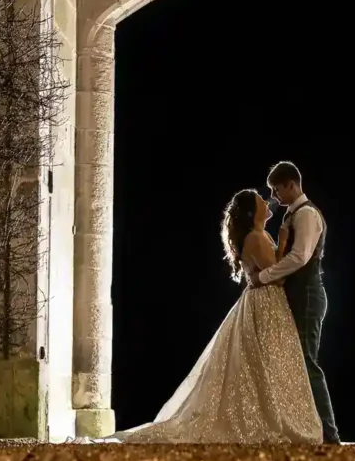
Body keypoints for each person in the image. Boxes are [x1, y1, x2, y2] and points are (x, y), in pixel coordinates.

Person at [106, 188, 323, 444]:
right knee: (264, 363)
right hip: (265, 302)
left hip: (266, 301)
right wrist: (284, 242)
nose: (267, 203)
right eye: (261, 201)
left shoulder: (258, 235)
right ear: (253, 212)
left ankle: (269, 414)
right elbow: (278, 272)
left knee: (264, 365)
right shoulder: (255, 237)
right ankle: (270, 420)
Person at [246, 161, 341, 445]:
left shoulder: (307, 214)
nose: (274, 197)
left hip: (309, 294)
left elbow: (300, 257)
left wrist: (264, 276)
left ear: (291, 184)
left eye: (276, 190)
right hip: (298, 294)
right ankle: (310, 431)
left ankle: (329, 434)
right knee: (300, 363)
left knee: (308, 362)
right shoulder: (291, 215)